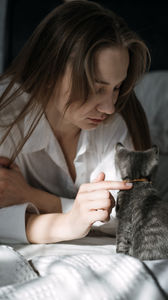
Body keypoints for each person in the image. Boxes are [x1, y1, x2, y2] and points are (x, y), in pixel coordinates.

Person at [0, 0, 151, 244]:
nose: (109, 107)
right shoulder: (6, 116)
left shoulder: (116, 121)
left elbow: (133, 217)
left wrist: (33, 197)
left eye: (116, 87)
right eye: (95, 87)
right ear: (50, 72)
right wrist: (70, 221)